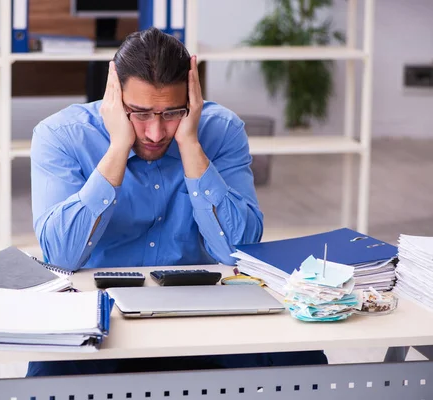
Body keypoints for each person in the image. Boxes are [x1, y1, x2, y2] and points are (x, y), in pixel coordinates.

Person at [27, 27, 327, 377]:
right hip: (99, 308)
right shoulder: (60, 136)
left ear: (191, 97)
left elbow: (237, 252)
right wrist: (117, 149)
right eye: (138, 113)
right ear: (113, 95)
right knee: (49, 375)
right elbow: (61, 255)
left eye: (171, 113)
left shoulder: (221, 129)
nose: (156, 134)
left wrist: (190, 146)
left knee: (303, 362)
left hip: (199, 308)